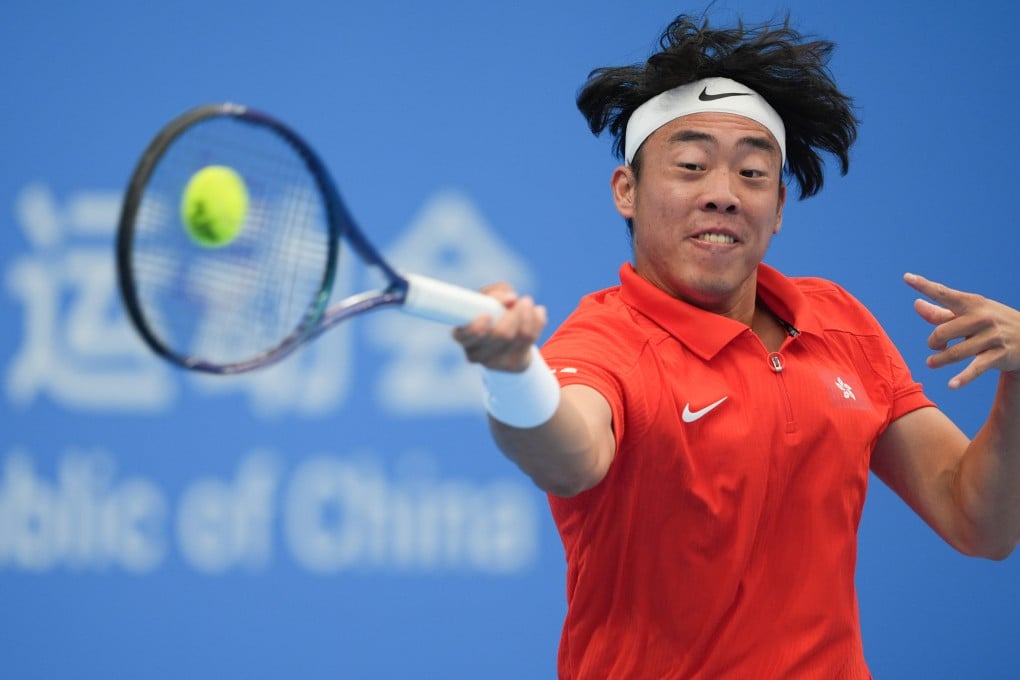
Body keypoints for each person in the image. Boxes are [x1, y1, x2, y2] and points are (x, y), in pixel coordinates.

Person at [452, 13, 1020, 680]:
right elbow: (570, 459)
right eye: (690, 166)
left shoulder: (841, 323)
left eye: (752, 174)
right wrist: (514, 372)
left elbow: (977, 520)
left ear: (778, 207)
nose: (722, 195)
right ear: (626, 192)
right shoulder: (607, 340)